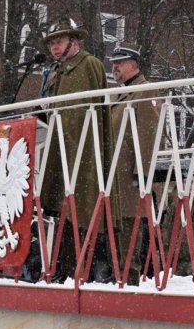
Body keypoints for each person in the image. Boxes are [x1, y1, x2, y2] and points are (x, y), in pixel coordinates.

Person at [38, 18, 119, 281]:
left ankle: (84, 269)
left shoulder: (89, 65)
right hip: (62, 147)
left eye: (59, 41)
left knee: (82, 208)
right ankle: (63, 268)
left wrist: (78, 141)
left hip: (82, 149)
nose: (54, 48)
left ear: (75, 41)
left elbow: (91, 112)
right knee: (62, 210)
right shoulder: (58, 72)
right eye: (51, 43)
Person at [108, 44, 160, 285]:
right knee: (116, 234)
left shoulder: (144, 91)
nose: (114, 67)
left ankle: (128, 283)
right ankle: (118, 279)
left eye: (119, 62)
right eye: (113, 63)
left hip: (129, 176)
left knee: (129, 235)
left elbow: (147, 134)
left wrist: (141, 173)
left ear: (134, 65)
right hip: (115, 176)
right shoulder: (119, 94)